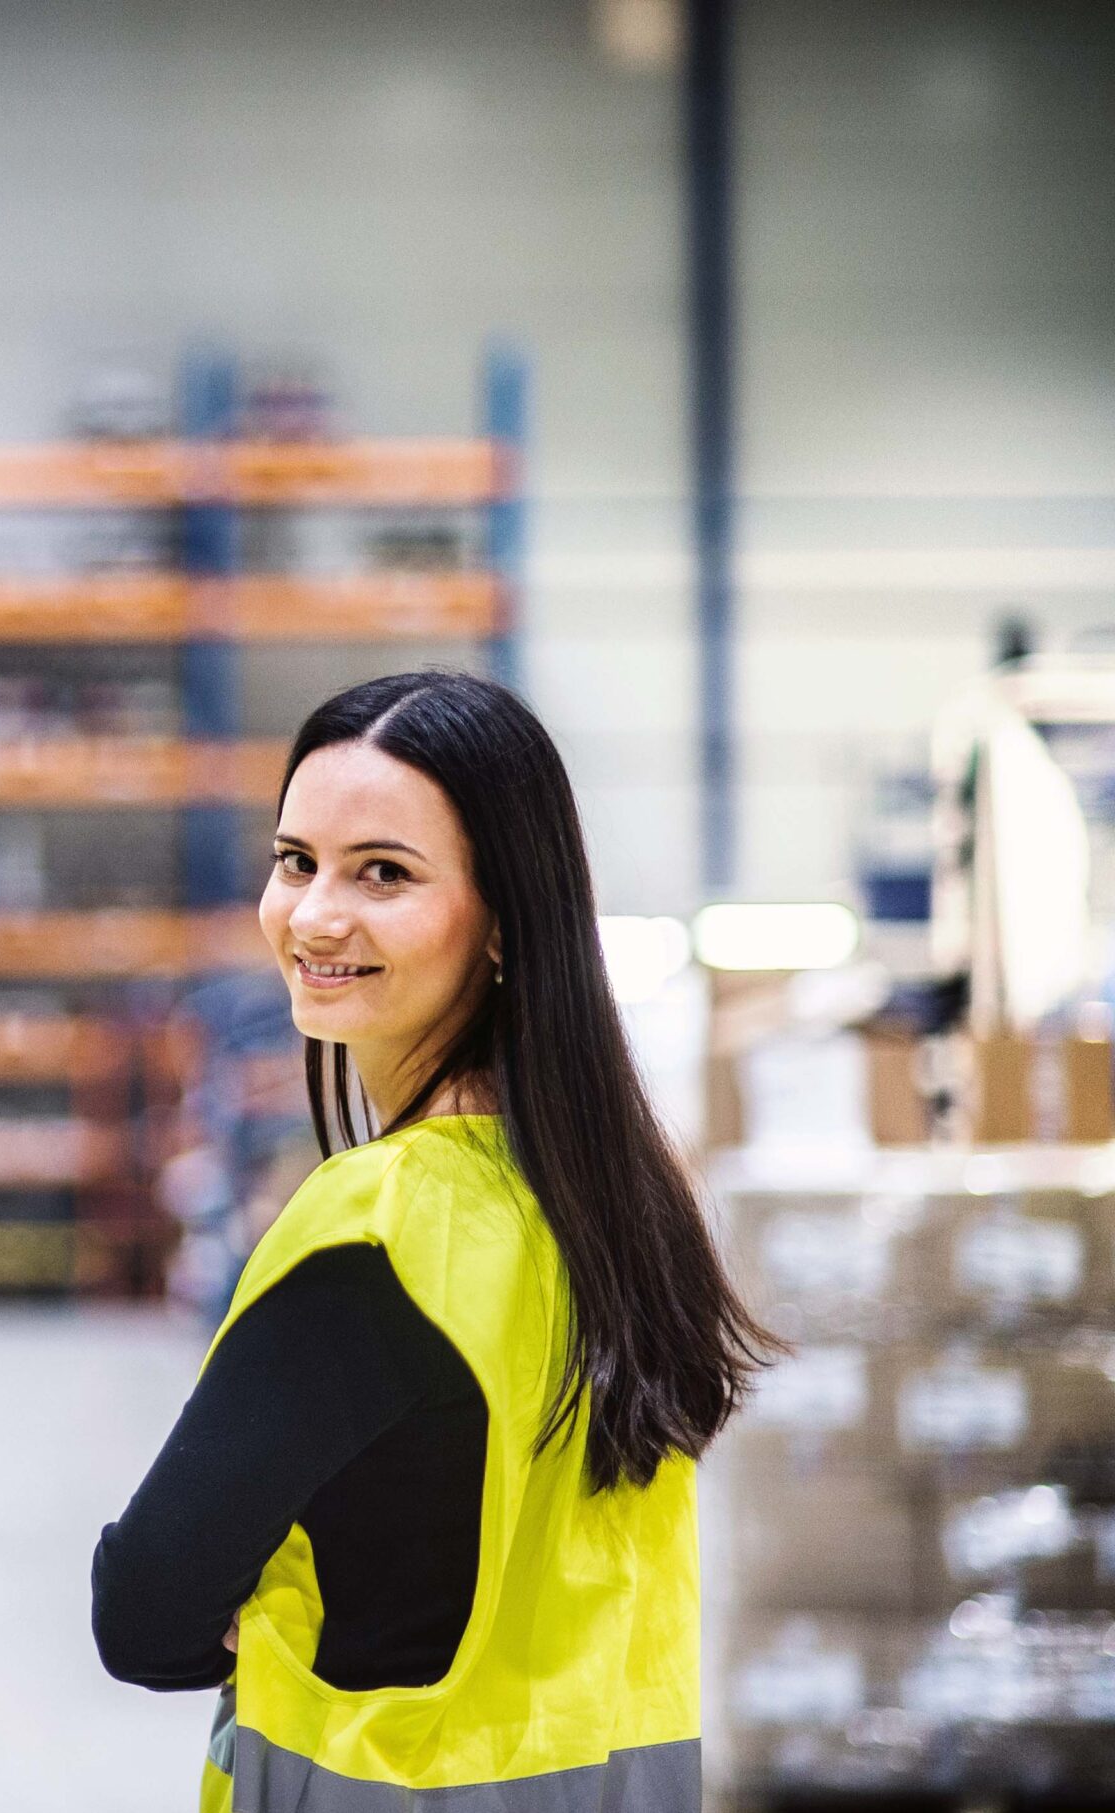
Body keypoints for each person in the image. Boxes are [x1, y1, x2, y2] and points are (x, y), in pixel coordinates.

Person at [92, 670, 775, 1812]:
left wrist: (245, 1600)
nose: (313, 914)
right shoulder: (614, 1199)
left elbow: (146, 1610)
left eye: (383, 873)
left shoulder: (376, 1230)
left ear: (502, 919)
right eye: (295, 859)